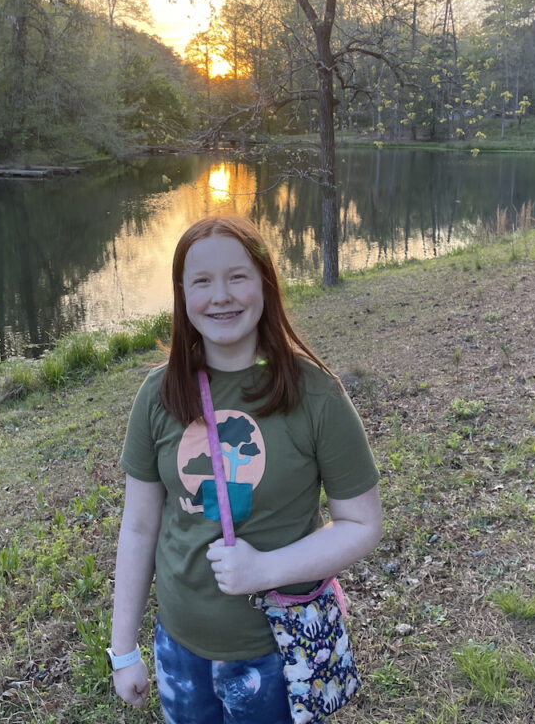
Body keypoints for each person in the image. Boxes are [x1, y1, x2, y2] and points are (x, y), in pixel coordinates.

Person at [109, 214, 382, 723]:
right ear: (182, 296)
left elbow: (362, 524)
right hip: (180, 649)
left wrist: (266, 569)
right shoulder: (158, 396)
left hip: (277, 653)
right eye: (202, 282)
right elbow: (139, 526)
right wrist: (123, 648)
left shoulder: (317, 396)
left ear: (264, 284)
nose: (221, 296)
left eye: (237, 276)